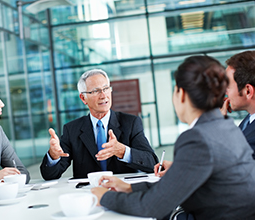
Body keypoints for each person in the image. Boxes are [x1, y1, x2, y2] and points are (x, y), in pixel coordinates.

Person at [91, 56, 255, 220]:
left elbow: (152, 206)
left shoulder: (197, 138)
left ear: (181, 94)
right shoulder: (225, 126)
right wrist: (128, 188)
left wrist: (104, 197)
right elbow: (174, 187)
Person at [40, 69, 159, 180]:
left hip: (123, 191)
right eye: (96, 91)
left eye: (106, 88)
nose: (103, 95)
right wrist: (53, 156)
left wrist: (122, 151)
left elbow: (152, 163)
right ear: (83, 98)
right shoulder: (72, 129)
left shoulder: (131, 123)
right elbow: (49, 175)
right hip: (89, 194)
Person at [220, 50, 255, 159]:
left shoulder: (252, 142)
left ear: (248, 91)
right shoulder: (250, 118)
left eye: (228, 87)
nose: (224, 92)